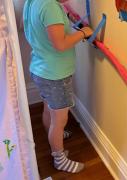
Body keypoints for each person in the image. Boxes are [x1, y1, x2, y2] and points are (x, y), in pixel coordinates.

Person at [23, 0, 93, 173]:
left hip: (42, 69)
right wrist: (83, 33)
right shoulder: (50, 6)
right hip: (55, 76)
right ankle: (59, 158)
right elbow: (60, 44)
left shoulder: (33, 2)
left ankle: (54, 136)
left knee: (50, 110)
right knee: (60, 119)